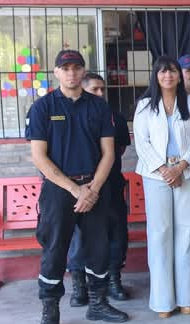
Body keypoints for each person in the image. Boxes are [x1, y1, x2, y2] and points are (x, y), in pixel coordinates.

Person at [27, 50, 128, 324]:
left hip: (95, 189)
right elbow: (39, 157)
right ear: (56, 73)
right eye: (65, 68)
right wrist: (75, 190)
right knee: (55, 250)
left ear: (83, 71)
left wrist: (92, 190)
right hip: (59, 191)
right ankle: (50, 313)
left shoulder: (98, 107)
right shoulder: (43, 108)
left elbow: (109, 153)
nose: (71, 73)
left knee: (98, 248)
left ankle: (98, 304)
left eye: (76, 67)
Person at [133, 56, 190, 317]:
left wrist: (181, 166)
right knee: (160, 233)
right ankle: (163, 300)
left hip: (187, 171)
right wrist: (164, 169)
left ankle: (187, 296)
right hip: (156, 175)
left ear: (179, 75)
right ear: (156, 75)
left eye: (173, 71)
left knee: (186, 230)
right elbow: (141, 143)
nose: (168, 76)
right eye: (163, 72)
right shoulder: (144, 105)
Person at [67, 73, 132, 305]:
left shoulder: (116, 117)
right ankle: (79, 286)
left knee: (116, 234)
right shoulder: (73, 115)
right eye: (95, 89)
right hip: (78, 188)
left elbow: (119, 149)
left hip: (111, 185)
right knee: (78, 237)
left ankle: (114, 280)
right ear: (83, 90)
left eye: (102, 89)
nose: (101, 94)